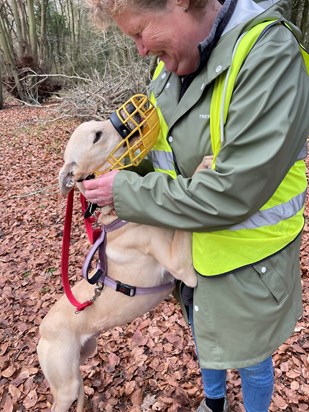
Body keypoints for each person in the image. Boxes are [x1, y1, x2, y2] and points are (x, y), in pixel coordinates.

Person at [83, 0, 309, 411]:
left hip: (249, 266)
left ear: (181, 3)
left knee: (252, 360)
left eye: (139, 32)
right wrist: (118, 173)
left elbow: (233, 192)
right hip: (188, 255)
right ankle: (214, 403)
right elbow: (164, 156)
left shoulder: (268, 54)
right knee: (207, 337)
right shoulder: (167, 69)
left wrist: (128, 194)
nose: (140, 50)